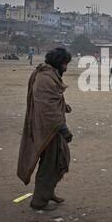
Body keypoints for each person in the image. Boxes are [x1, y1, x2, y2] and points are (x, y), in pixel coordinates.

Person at [17, 47, 73, 211]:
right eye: (65, 64)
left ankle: (48, 192)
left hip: (49, 128)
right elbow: (47, 109)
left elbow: (51, 101)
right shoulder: (45, 79)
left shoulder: (47, 75)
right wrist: (64, 129)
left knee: (59, 160)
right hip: (47, 129)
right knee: (49, 165)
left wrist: (64, 106)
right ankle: (39, 201)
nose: (66, 68)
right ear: (59, 63)